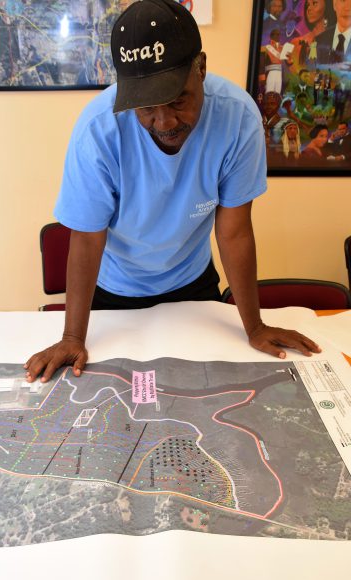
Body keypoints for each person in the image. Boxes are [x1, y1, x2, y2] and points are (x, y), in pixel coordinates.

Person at [24, 0, 320, 383]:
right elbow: (86, 239)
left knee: (209, 388)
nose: (164, 122)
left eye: (178, 100)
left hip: (192, 282)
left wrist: (255, 327)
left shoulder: (238, 117)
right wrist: (72, 336)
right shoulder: (98, 130)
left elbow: (233, 231)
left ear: (201, 68)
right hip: (114, 290)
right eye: (145, 106)